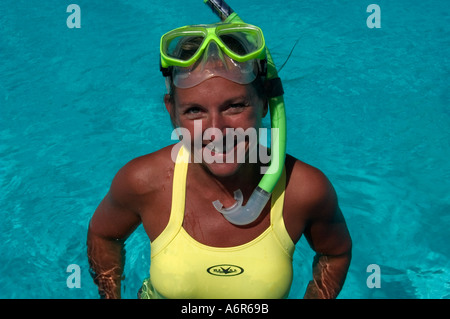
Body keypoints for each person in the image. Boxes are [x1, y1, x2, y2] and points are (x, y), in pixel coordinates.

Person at [87, 20, 352, 299]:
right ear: (172, 111)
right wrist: (110, 293)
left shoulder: (304, 190)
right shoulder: (143, 182)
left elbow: (334, 254)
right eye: (194, 111)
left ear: (264, 103)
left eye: (235, 106)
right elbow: (103, 235)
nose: (217, 130)